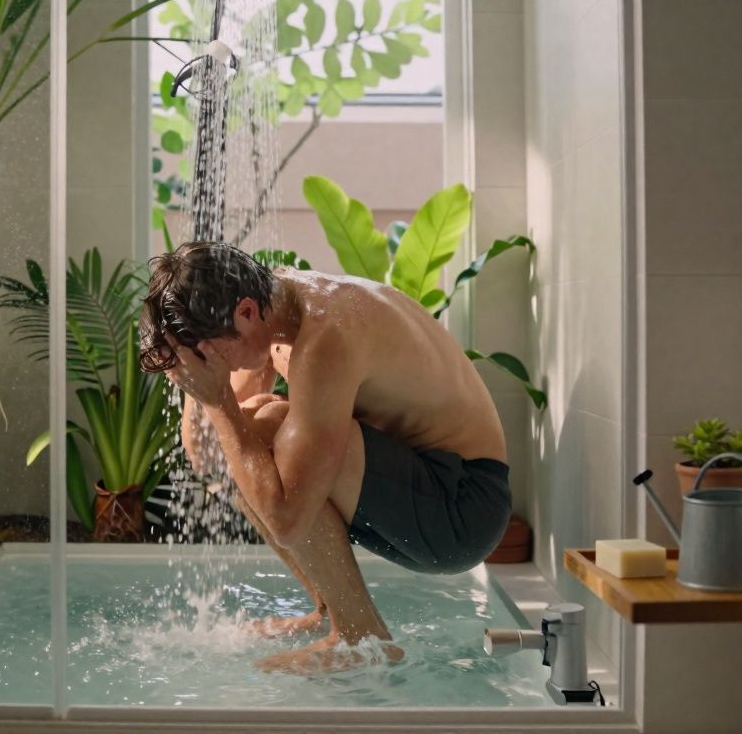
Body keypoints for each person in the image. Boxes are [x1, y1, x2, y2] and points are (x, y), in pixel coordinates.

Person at [139, 242, 511, 675]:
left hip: (463, 508)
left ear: (244, 313)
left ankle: (361, 636)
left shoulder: (327, 335)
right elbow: (211, 459)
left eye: (210, 355)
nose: (212, 368)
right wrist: (197, 383)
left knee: (269, 425)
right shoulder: (268, 310)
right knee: (256, 428)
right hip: (424, 490)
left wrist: (220, 400)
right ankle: (329, 612)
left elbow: (286, 518)